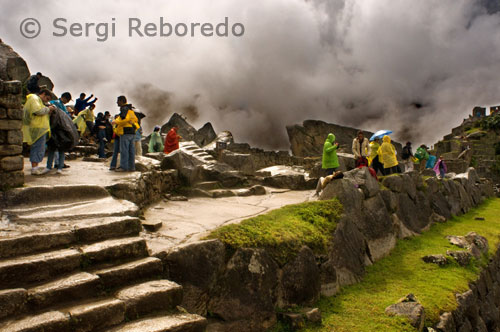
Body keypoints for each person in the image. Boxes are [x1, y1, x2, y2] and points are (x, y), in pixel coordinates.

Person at [22, 89, 56, 175]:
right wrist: (49, 109)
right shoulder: (34, 98)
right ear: (43, 94)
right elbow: (38, 111)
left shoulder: (38, 101)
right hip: (37, 128)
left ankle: (35, 167)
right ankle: (34, 168)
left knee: (39, 148)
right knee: (37, 148)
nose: (46, 101)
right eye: (47, 98)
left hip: (39, 128)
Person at [46, 106, 79, 174]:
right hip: (59, 135)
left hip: (60, 135)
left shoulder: (56, 115)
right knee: (55, 151)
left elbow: (53, 124)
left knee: (56, 151)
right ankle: (56, 167)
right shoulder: (61, 114)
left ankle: (52, 167)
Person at [112, 95, 138, 172]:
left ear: (122, 101)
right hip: (132, 132)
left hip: (125, 132)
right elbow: (135, 121)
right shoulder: (131, 110)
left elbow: (124, 119)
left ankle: (123, 167)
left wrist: (115, 121)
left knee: (124, 150)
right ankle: (131, 167)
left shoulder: (124, 109)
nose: (117, 102)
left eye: (118, 101)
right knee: (131, 151)